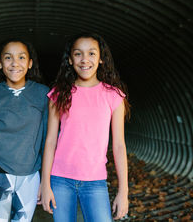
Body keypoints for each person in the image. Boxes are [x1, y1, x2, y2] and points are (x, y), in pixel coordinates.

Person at [41, 32, 130, 221]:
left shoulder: (114, 96)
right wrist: (45, 184)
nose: (85, 60)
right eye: (78, 54)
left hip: (95, 182)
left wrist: (124, 192)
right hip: (60, 180)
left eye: (91, 53)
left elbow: (119, 146)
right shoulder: (59, 94)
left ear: (101, 59)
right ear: (70, 60)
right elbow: (50, 141)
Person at [0, 39, 49, 222]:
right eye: (8, 58)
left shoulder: (43, 95)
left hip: (29, 179)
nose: (15, 63)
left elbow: (47, 143)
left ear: (30, 63)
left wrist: (45, 182)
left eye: (21, 57)